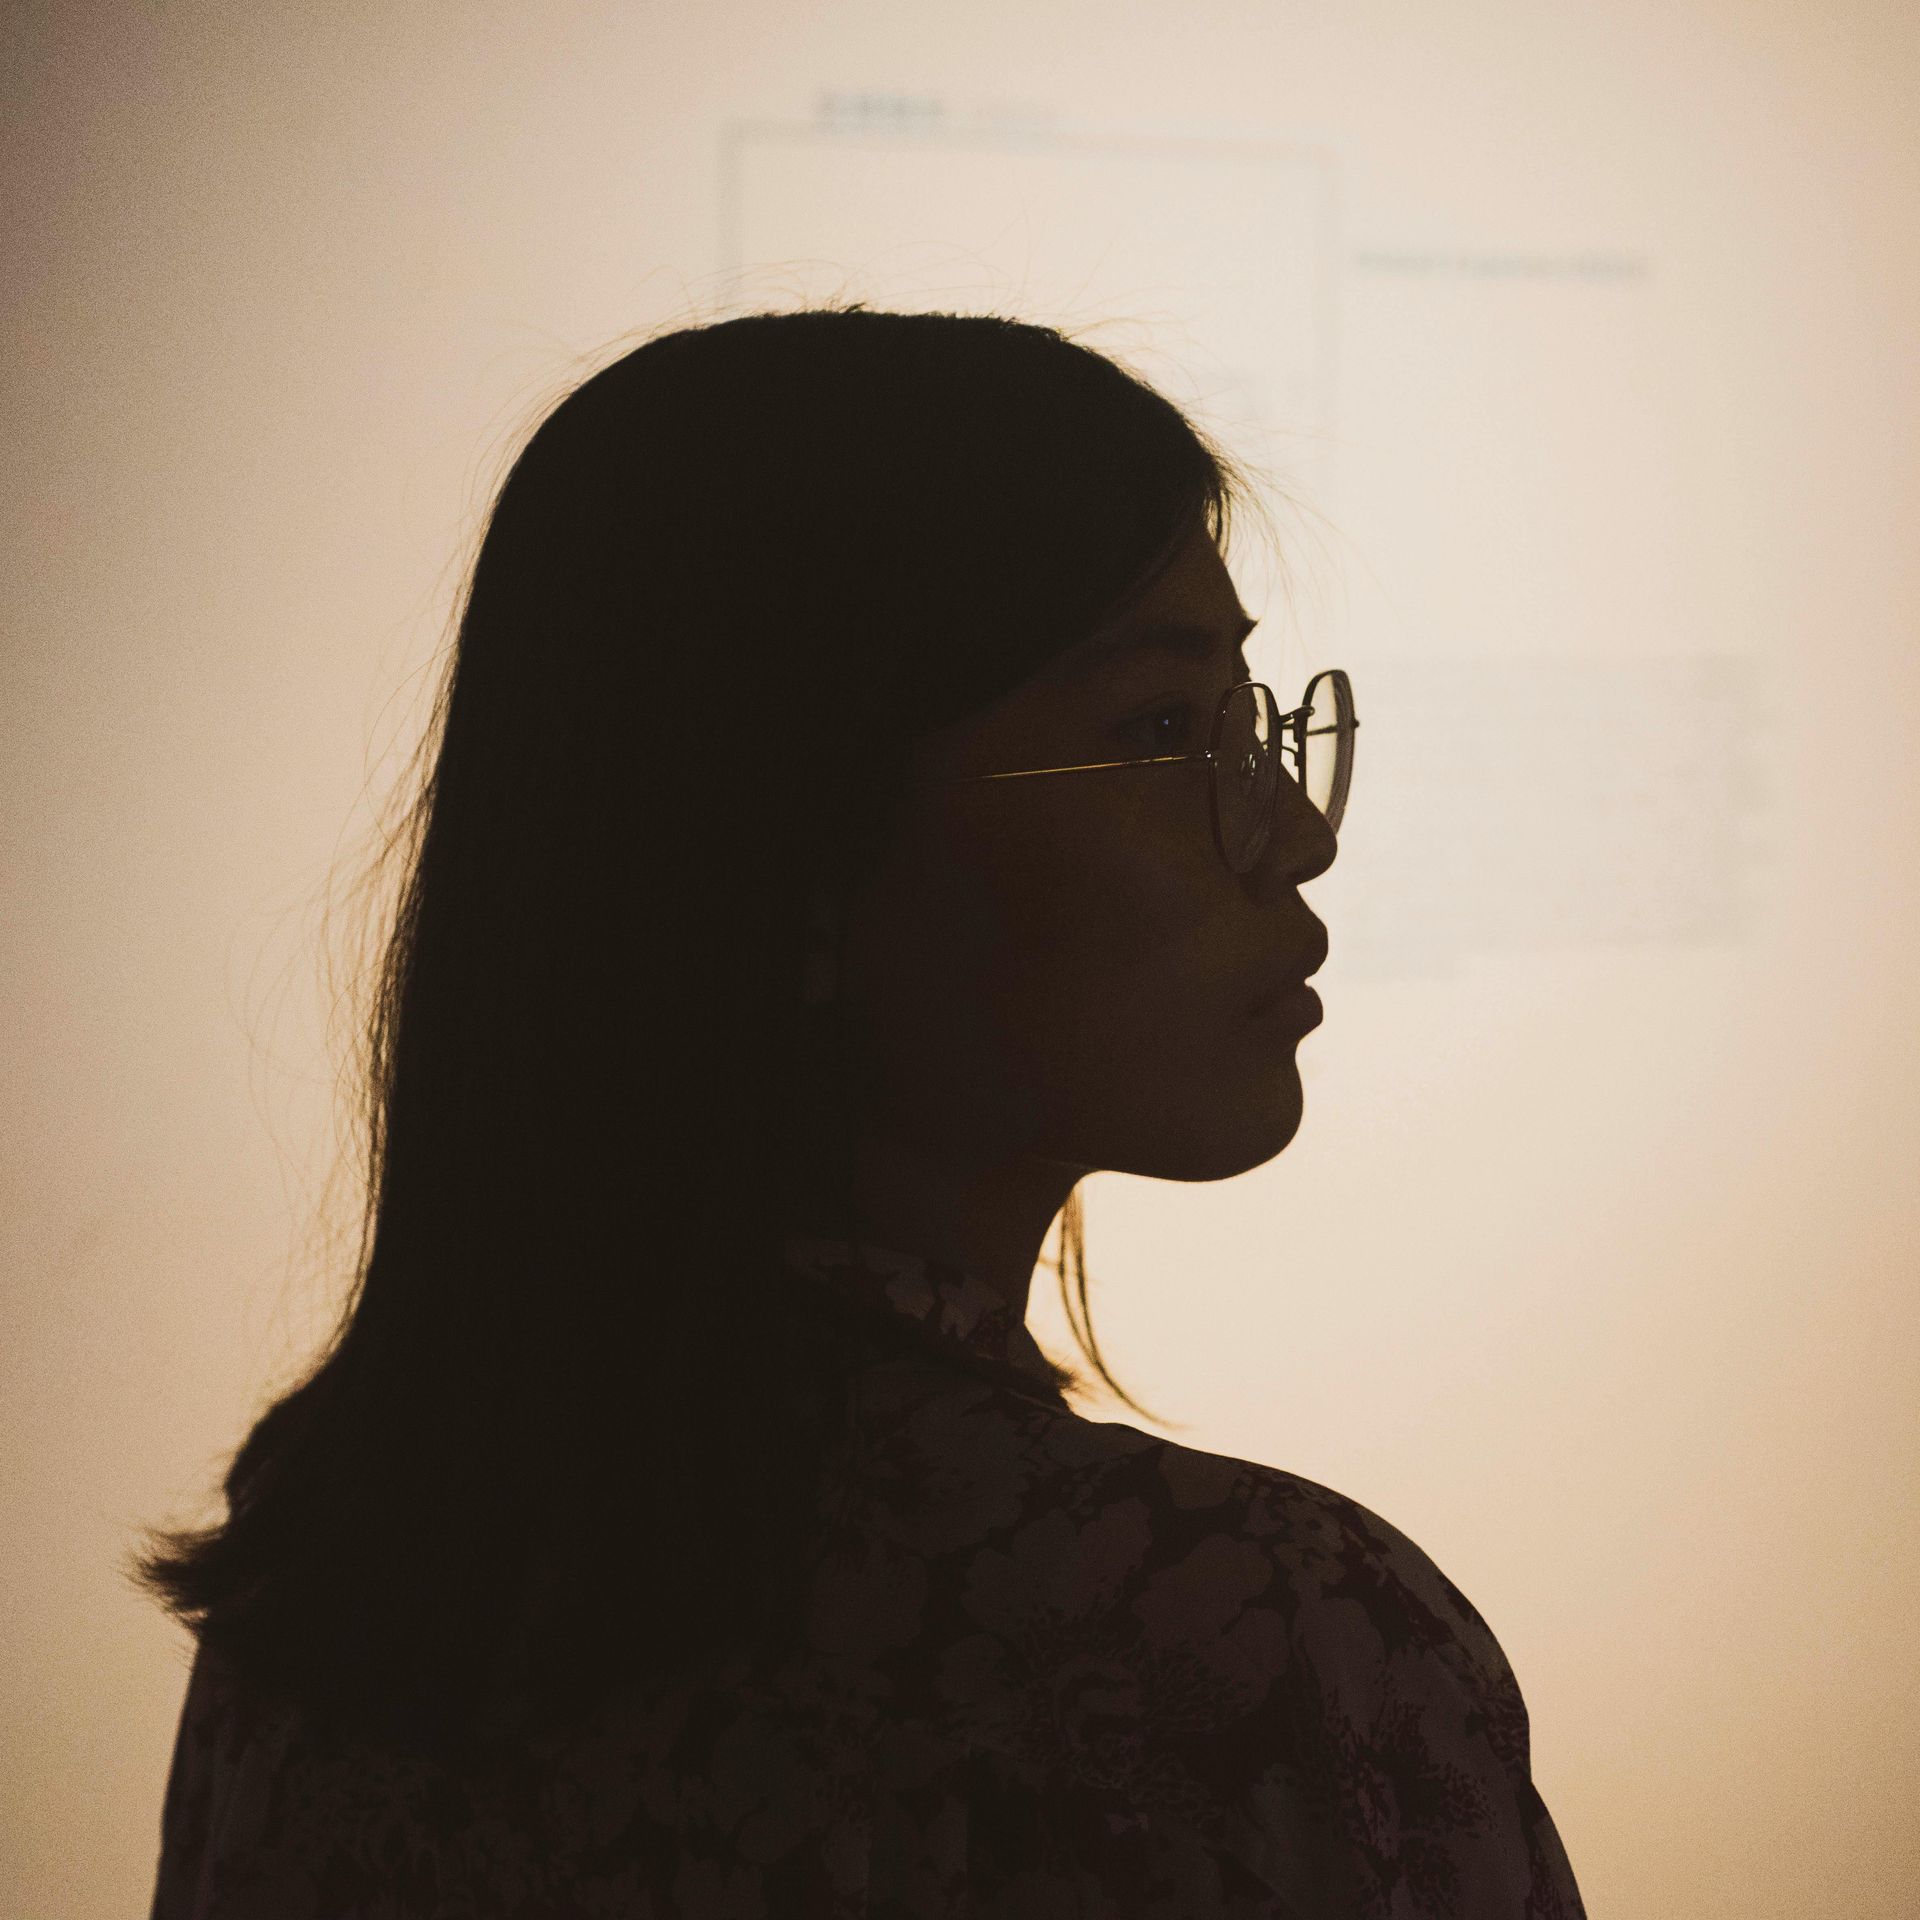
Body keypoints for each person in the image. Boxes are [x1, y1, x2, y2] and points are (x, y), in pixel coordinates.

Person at [133, 303, 1587, 1916]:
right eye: (1162, 728)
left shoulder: (341, 1584)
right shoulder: (1253, 1642)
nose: (1289, 840)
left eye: (1245, 721)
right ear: (790, 855)